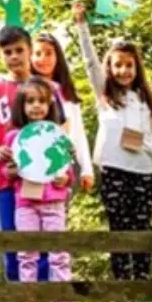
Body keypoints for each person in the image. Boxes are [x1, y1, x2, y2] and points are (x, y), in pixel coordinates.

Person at [74, 2, 152, 280]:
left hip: (143, 171)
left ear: (136, 68)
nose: (124, 71)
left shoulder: (144, 101)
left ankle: (142, 283)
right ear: (110, 67)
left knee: (141, 227)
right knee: (119, 226)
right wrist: (82, 25)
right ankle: (121, 285)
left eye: (129, 65)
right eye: (118, 65)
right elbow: (90, 62)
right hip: (115, 170)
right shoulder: (105, 96)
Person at [0, 22, 56, 282]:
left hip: (39, 175)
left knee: (42, 232)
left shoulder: (47, 89)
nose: (14, 57)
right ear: (1, 55)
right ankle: (16, 292)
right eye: (7, 52)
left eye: (19, 50)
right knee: (11, 231)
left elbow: (59, 129)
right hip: (7, 175)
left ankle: (45, 292)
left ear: (29, 51)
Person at [4, 79, 73, 283]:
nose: (36, 105)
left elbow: (67, 170)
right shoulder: (14, 137)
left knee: (58, 251)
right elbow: (6, 172)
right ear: (21, 106)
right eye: (30, 101)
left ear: (49, 105)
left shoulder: (57, 135)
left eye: (41, 101)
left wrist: (65, 178)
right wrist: (13, 171)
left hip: (53, 203)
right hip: (26, 203)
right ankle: (30, 298)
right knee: (27, 251)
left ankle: (62, 299)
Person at [32, 33, 94, 191]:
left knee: (58, 212)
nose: (43, 58)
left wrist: (87, 169)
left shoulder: (66, 94)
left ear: (58, 56)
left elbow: (78, 132)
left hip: (61, 167)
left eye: (48, 53)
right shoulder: (26, 90)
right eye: (37, 53)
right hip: (33, 164)